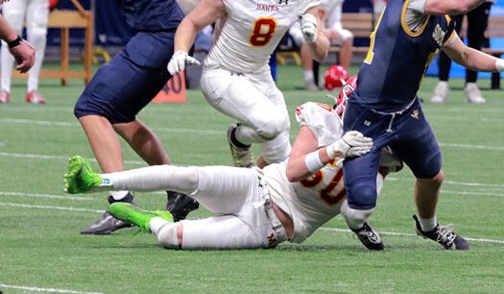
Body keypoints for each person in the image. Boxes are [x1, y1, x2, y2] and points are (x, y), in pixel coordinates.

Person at [0, 0, 199, 234]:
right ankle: (179, 191)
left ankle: (120, 202)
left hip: (157, 34)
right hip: (157, 32)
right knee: (120, 117)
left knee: (91, 106)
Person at [341, 0, 504, 249]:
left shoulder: (439, 16)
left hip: (406, 110)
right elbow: (463, 1)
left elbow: (464, 55)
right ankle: (360, 212)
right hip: (369, 110)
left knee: (433, 174)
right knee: (358, 208)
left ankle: (428, 226)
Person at [64, 81, 395, 250]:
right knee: (185, 176)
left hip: (270, 226)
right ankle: (98, 181)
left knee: (170, 237)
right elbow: (293, 170)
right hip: (259, 183)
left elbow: (360, 205)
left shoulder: (382, 155)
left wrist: (363, 226)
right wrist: (335, 149)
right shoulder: (322, 119)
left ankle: (144, 218)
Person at [168, 0, 328, 170]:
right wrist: (179, 50)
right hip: (222, 72)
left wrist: (312, 37)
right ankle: (238, 137)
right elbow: (192, 23)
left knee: (281, 159)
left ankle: (251, 184)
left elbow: (321, 53)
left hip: (259, 73)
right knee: (273, 124)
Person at [294, 0, 353, 90]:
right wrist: (324, 32)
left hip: (323, 29)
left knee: (347, 37)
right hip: (299, 27)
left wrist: (335, 30)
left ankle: (343, 79)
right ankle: (309, 80)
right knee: (307, 37)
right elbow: (300, 18)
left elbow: (335, 18)